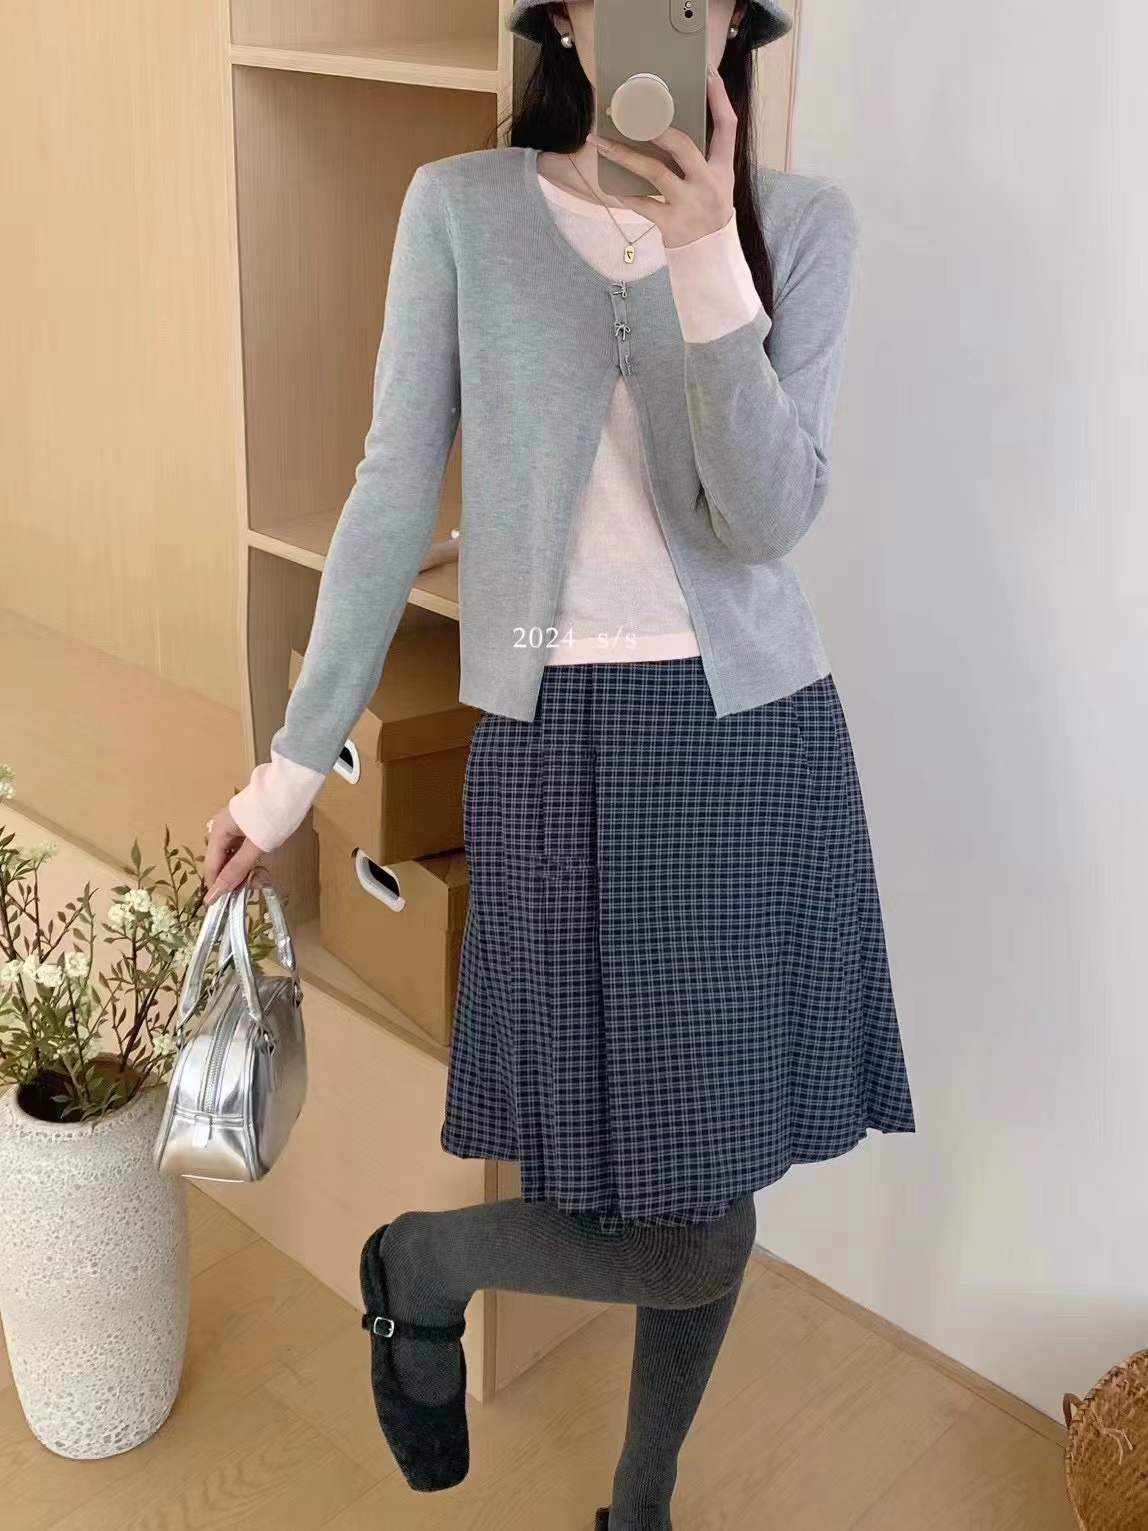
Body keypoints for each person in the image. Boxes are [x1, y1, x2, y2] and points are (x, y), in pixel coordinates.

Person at [203, 1, 916, 1523]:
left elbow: (767, 519)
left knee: (705, 1205)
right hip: (559, 753)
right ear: (568, 21)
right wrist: (289, 774)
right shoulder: (461, 210)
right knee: (638, 1200)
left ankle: (628, 1498)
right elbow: (392, 493)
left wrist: (707, 257)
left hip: (749, 750)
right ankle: (425, 1268)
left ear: (732, 22)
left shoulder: (804, 228)